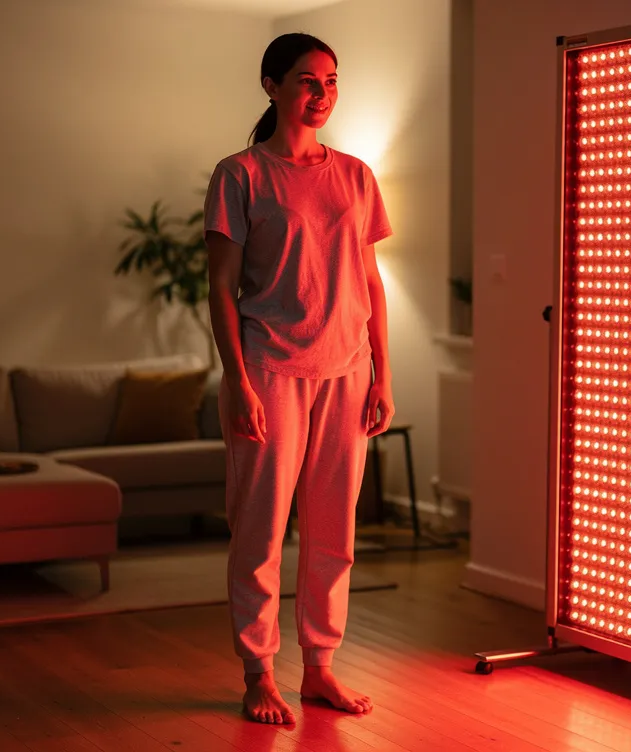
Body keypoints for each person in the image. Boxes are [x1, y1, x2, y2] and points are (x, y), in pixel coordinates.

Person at [202, 32, 394, 726]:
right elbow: (221, 288)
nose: (323, 93)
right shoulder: (239, 175)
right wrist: (237, 381)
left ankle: (319, 669)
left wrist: (382, 375)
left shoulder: (356, 175)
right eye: (309, 80)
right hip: (270, 370)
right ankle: (259, 672)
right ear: (272, 85)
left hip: (347, 372)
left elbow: (370, 281)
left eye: (333, 81)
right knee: (259, 534)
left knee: (333, 532)